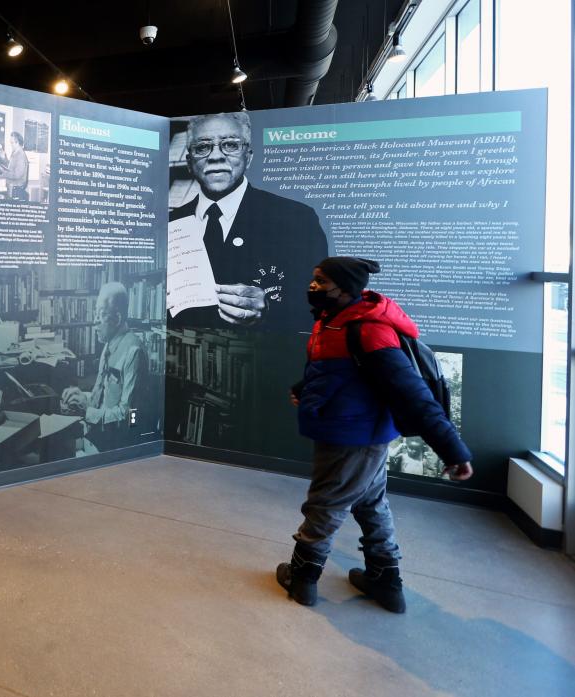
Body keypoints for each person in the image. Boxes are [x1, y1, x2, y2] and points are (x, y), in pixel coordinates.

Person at [277, 257, 473, 613]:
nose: (313, 287)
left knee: (326, 503)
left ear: (346, 287)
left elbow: (413, 394)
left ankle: (302, 578)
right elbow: (338, 371)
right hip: (351, 429)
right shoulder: (334, 320)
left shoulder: (368, 329)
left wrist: (453, 451)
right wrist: (304, 387)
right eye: (313, 278)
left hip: (353, 436)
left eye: (321, 281)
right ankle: (385, 581)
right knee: (370, 503)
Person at [168, 112, 328, 332]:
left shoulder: (297, 218)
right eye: (202, 147)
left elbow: (322, 301)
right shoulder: (171, 222)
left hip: (261, 359)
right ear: (189, 162)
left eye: (230, 145)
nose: (216, 156)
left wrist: (270, 308)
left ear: (248, 157)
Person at [61, 281, 147, 451]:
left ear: (117, 318)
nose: (94, 322)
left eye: (100, 315)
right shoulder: (109, 344)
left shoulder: (134, 352)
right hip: (97, 436)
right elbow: (103, 396)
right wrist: (81, 397)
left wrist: (87, 412)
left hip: (117, 445)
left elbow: (131, 415)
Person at [0, 131, 29, 201]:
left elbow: (17, 175)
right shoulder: (15, 153)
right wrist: (4, 158)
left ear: (17, 143)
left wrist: (3, 172)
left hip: (16, 190)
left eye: (12, 143)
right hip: (12, 188)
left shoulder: (20, 155)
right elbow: (11, 167)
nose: (11, 145)